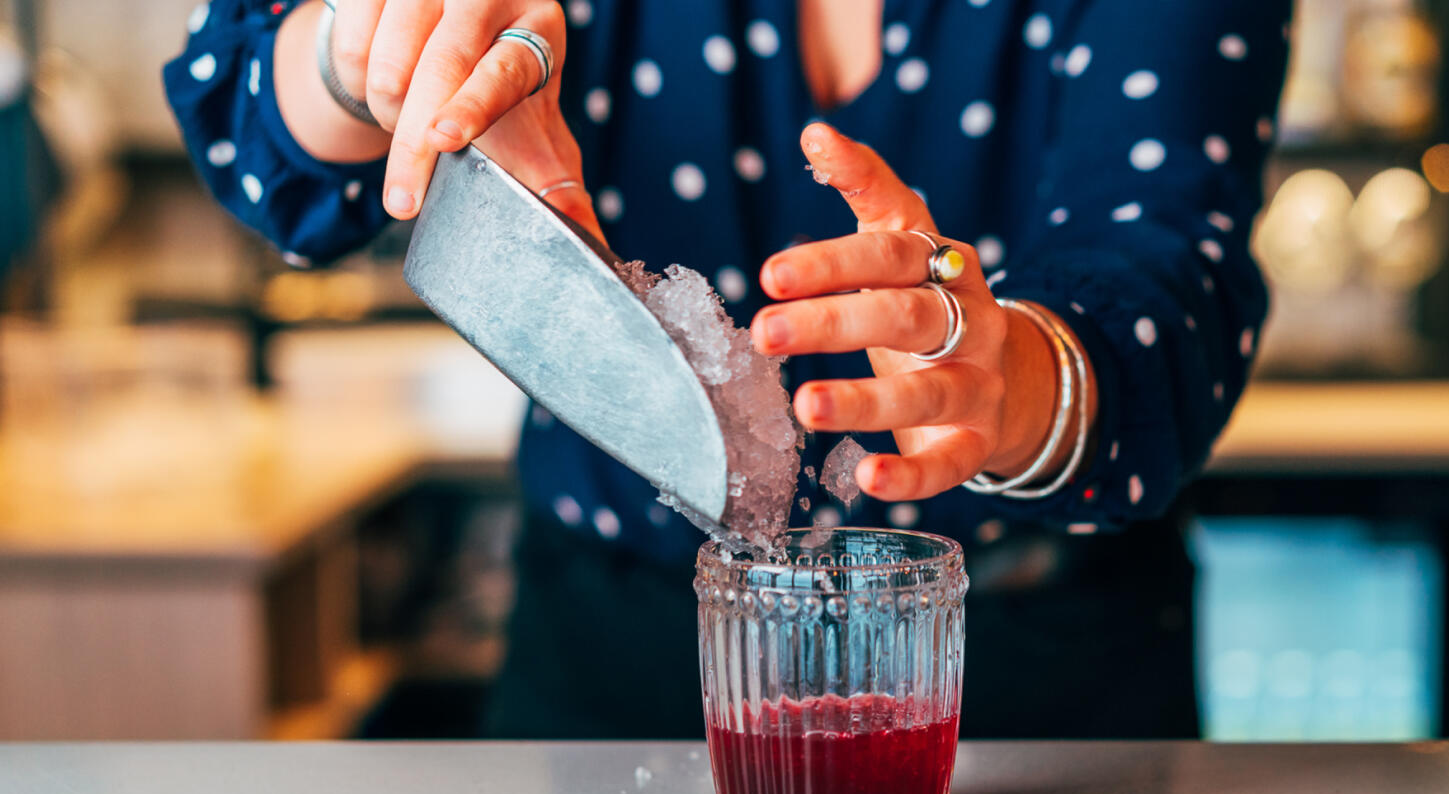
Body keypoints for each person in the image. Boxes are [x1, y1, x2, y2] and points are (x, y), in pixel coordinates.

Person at [165, 0, 1288, 740]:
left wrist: (1009, 385)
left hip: (1044, 686)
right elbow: (253, 131)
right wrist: (362, 49)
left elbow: (1168, 282)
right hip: (610, 671)